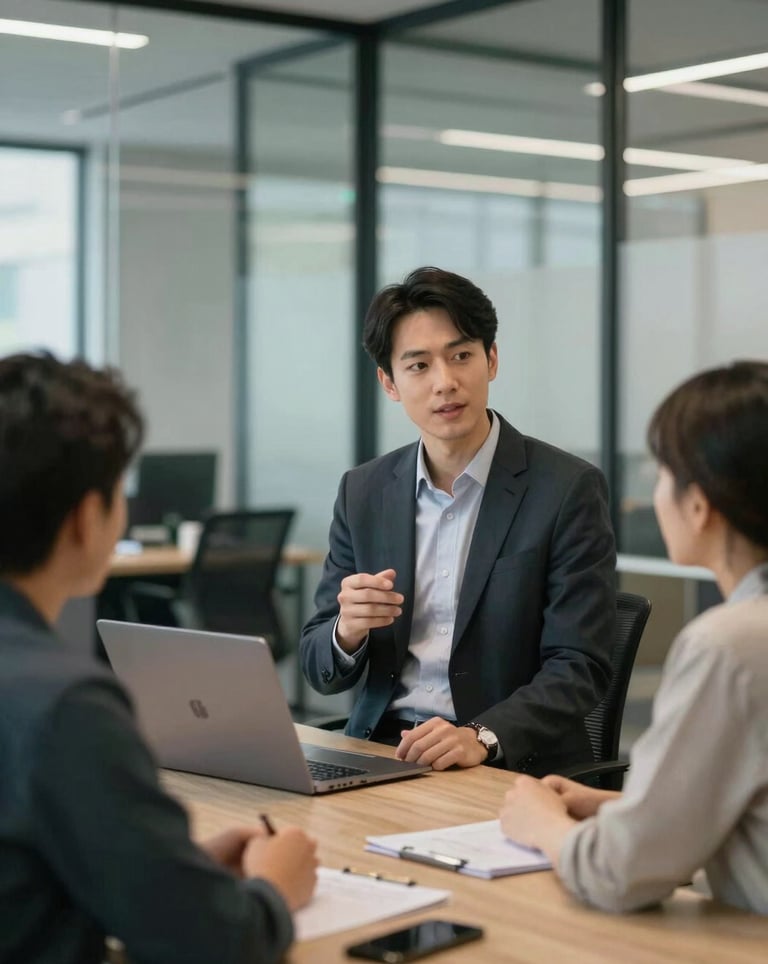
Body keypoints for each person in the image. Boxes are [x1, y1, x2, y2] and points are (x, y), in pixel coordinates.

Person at [0, 352, 318, 964]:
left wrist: (176, 868)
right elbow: (214, 944)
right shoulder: (66, 705)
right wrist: (274, 888)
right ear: (87, 518)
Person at [300, 267, 616, 775]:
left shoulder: (564, 489)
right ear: (390, 383)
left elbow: (580, 666)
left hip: (505, 763)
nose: (444, 382)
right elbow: (319, 665)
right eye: (419, 366)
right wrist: (348, 631)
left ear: (491, 360)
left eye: (461, 356)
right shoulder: (363, 491)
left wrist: (481, 737)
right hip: (382, 754)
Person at [499, 360, 768, 914]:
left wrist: (544, 826)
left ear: (699, 506)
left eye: (663, 474)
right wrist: (617, 807)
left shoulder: (730, 646)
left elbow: (619, 875)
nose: (654, 494)